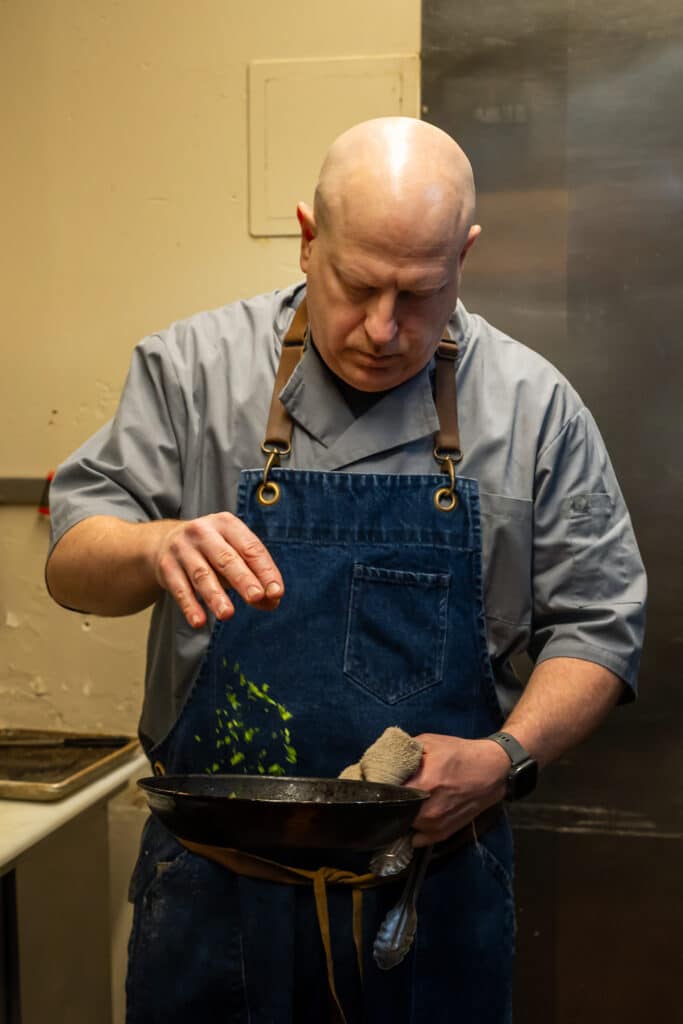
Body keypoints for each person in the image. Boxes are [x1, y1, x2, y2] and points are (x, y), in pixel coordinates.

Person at [46, 117, 646, 1023]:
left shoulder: (534, 409)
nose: (381, 329)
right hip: (215, 893)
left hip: (432, 894)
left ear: (465, 255)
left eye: (420, 293)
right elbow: (73, 564)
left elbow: (600, 624)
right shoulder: (190, 371)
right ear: (307, 235)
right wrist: (151, 546)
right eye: (356, 285)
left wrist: (503, 755)